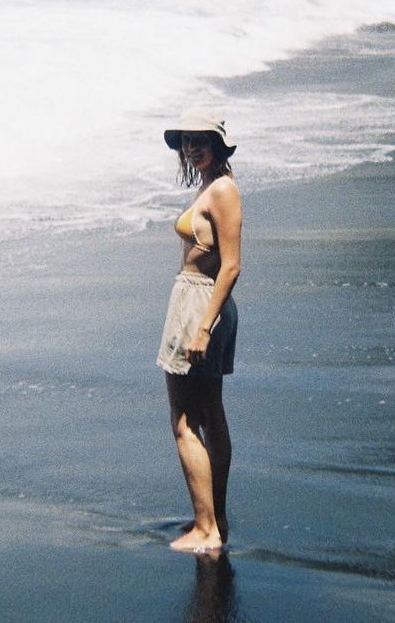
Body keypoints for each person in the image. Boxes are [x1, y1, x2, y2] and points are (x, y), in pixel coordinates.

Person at [157, 108, 242, 553]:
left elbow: (231, 265)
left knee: (186, 421)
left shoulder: (223, 190)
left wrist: (203, 328)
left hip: (200, 305)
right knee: (209, 414)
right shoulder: (211, 187)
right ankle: (216, 521)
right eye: (187, 140)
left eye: (201, 139)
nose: (192, 147)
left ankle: (205, 528)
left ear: (219, 144)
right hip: (201, 303)